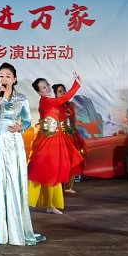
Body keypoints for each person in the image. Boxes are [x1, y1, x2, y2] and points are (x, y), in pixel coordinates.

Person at [0, 62, 44, 246]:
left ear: (14, 80)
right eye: (1, 76)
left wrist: (20, 127)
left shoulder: (21, 98)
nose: (4, 79)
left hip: (14, 143)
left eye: (8, 76)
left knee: (14, 182)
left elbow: (28, 120)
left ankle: (16, 229)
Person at [27, 74, 84, 215]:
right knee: (42, 171)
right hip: (48, 141)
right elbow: (63, 99)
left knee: (55, 172)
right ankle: (29, 201)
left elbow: (63, 108)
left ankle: (51, 204)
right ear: (39, 92)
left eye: (47, 85)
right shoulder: (46, 102)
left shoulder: (53, 102)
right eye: (43, 87)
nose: (47, 88)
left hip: (57, 140)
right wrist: (76, 84)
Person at [52, 83, 87, 194]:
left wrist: (75, 134)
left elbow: (73, 121)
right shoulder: (54, 106)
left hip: (71, 135)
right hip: (60, 137)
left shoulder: (70, 105)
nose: (63, 93)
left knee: (72, 160)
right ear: (56, 95)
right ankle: (58, 185)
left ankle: (68, 186)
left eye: (64, 91)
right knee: (61, 161)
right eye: (60, 91)